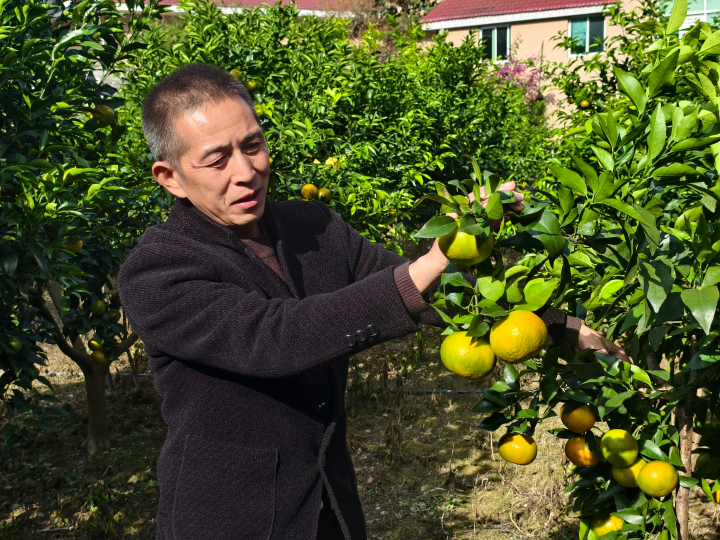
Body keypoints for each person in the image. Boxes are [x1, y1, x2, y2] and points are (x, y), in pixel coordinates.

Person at [118, 63, 627, 540]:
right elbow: (275, 338)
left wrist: (556, 321)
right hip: (232, 514)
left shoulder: (311, 226)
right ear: (170, 177)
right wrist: (430, 262)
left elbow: (426, 292)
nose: (247, 170)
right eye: (216, 159)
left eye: (252, 145)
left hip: (330, 502)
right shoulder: (158, 271)